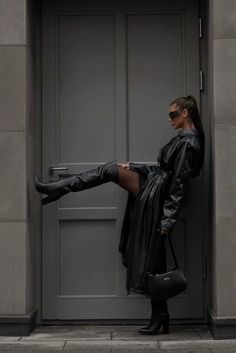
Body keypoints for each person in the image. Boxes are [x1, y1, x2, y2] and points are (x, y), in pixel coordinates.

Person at [34, 95, 205, 335]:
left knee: (109, 171)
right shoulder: (184, 140)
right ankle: (160, 317)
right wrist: (134, 166)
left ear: (186, 113)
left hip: (157, 195)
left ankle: (58, 188)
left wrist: (167, 220)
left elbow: (178, 184)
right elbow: (162, 169)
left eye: (173, 114)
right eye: (168, 115)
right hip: (154, 187)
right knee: (154, 259)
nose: (169, 119)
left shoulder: (190, 143)